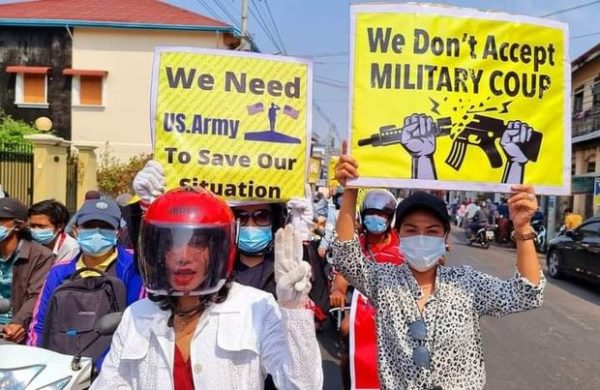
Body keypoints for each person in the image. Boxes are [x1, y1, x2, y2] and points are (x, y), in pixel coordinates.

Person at [331, 142, 545, 389]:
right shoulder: (384, 281)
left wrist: (523, 227)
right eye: (411, 230)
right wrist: (350, 190)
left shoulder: (467, 283)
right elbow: (347, 258)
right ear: (399, 234)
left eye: (432, 231)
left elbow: (526, 294)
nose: (421, 237)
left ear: (446, 238)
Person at [91, 187, 323, 389]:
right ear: (159, 252)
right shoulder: (137, 315)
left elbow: (303, 385)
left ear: (218, 249)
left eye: (198, 243)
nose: (184, 257)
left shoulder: (256, 307)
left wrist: (294, 311)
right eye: (173, 243)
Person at [28, 198, 143, 367]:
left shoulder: (133, 267)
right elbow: (40, 323)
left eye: (105, 227)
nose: (97, 232)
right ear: (75, 230)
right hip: (60, 366)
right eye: (89, 226)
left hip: (111, 368)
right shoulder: (59, 272)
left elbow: (136, 325)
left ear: (118, 232)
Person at [330, 189, 405, 390]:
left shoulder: (403, 246)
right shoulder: (356, 246)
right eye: (371, 213)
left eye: (381, 214)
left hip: (399, 310)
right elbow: (343, 276)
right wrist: (338, 291)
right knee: (346, 332)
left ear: (390, 218)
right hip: (363, 310)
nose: (376, 218)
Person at [0, 197, 55, 343]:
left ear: (18, 225)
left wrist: (18, 322)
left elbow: (36, 295)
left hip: (17, 329)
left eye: (1, 220)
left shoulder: (41, 256)